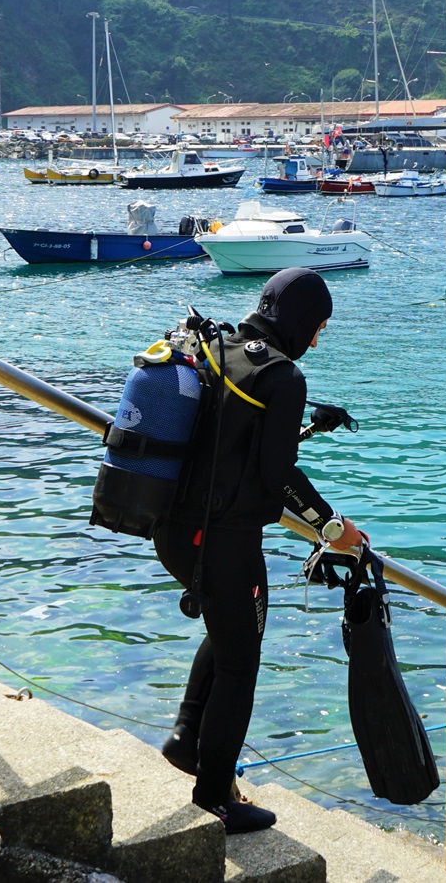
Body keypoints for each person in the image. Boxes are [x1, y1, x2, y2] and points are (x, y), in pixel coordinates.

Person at [153, 268, 363, 834]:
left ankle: (186, 740)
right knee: (241, 659)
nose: (317, 339)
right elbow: (275, 472)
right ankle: (217, 794)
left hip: (172, 527)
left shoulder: (218, 343)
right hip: (221, 540)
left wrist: (306, 425)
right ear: (300, 322)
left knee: (228, 634)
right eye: (318, 327)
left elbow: (234, 436)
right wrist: (330, 526)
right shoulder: (284, 376)